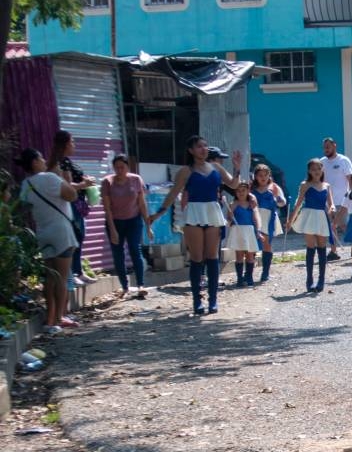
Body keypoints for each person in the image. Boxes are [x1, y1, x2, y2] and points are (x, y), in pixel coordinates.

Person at [150, 135, 241, 315]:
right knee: (197, 258)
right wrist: (159, 213)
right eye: (199, 146)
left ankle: (213, 300)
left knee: (212, 256)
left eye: (205, 146)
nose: (203, 149)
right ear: (191, 150)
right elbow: (173, 193)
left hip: (212, 212)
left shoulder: (216, 167)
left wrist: (237, 168)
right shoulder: (185, 171)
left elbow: (233, 184)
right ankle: (197, 300)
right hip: (193, 213)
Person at [16, 148, 79, 333]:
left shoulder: (25, 184)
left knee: (50, 277)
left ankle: (50, 319)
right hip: (61, 232)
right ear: (35, 162)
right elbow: (72, 195)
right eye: (41, 157)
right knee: (62, 277)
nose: (44, 160)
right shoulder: (50, 178)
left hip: (43, 232)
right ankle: (58, 319)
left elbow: (24, 207)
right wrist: (60, 177)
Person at [47, 130, 97, 286]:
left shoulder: (62, 161)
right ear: (66, 144)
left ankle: (78, 272)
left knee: (79, 237)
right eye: (72, 141)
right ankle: (73, 273)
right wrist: (85, 184)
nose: (74, 144)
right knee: (75, 238)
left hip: (77, 204)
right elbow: (68, 186)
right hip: (71, 205)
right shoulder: (63, 162)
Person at [100, 155, 153, 297]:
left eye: (122, 167)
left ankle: (141, 284)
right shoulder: (107, 182)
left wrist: (148, 226)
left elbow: (142, 204)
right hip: (115, 221)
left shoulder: (135, 180)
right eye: (116, 167)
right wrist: (112, 230)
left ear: (127, 167)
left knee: (135, 249)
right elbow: (107, 208)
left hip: (134, 220)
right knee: (118, 255)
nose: (119, 170)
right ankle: (125, 286)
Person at [286, 159, 335, 293]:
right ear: (309, 171)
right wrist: (291, 220)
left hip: (321, 217)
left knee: (322, 247)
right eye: (313, 169)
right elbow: (298, 203)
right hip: (308, 216)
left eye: (318, 169)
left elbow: (331, 203)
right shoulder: (305, 185)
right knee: (310, 247)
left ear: (322, 169)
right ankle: (309, 279)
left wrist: (332, 209)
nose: (316, 172)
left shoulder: (327, 186)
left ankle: (321, 280)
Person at [250, 163, 286, 283]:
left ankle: (265, 272)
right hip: (254, 218)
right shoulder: (251, 188)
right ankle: (248, 273)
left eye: (266, 175)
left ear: (269, 175)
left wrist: (278, 199)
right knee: (252, 246)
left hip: (269, 218)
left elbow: (282, 203)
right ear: (255, 176)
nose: (263, 178)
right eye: (260, 175)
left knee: (267, 244)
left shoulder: (274, 187)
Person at [320, 137, 352, 260]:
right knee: (330, 226)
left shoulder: (343, 160)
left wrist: (350, 196)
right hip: (327, 201)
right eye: (324, 147)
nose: (326, 149)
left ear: (334, 145)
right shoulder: (322, 162)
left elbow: (350, 179)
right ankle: (333, 251)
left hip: (342, 200)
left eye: (328, 146)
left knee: (344, 225)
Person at [226, 180, 263, 288]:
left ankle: (249, 277)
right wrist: (229, 219)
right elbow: (228, 218)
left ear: (248, 191)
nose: (241, 193)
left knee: (250, 255)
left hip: (249, 231)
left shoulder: (251, 204)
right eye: (238, 191)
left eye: (243, 190)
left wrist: (258, 230)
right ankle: (239, 278)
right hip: (238, 231)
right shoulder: (233, 204)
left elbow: (256, 217)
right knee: (239, 255)